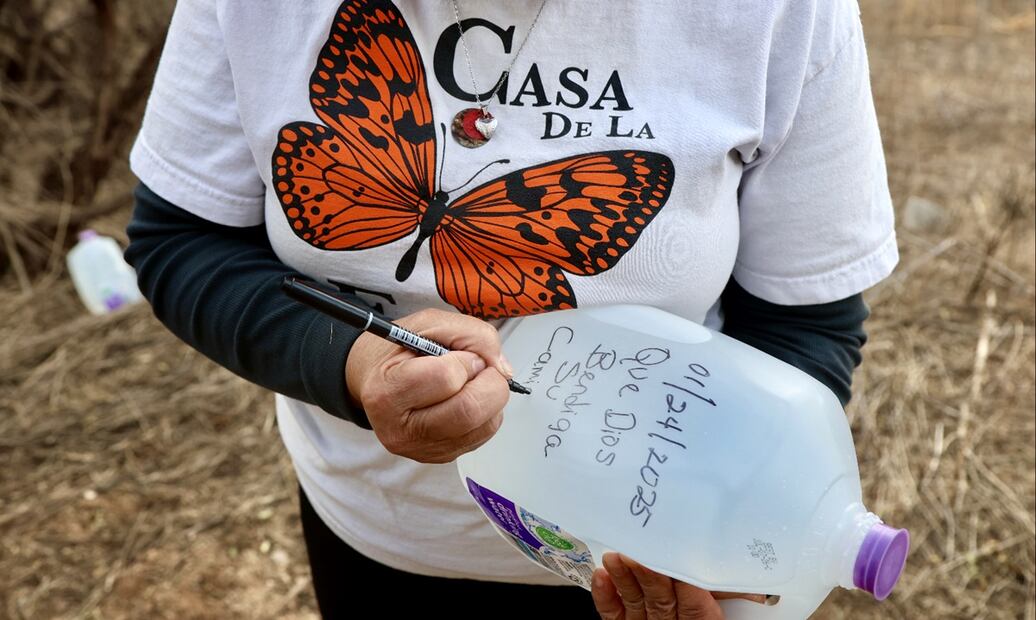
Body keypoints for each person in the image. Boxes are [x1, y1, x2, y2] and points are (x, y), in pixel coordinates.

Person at [124, 0, 897, 617]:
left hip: (646, 558)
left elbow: (804, 319)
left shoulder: (782, 13)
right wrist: (354, 364)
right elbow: (182, 240)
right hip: (381, 538)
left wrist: (723, 558)